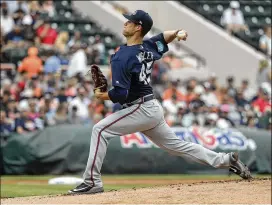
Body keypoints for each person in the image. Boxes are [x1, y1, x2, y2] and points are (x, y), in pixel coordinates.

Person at [69, 10, 252, 195]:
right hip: (151, 108)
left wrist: (102, 96)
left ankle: (92, 181)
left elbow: (121, 94)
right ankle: (226, 160)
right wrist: (177, 32)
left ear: (138, 27)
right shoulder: (147, 47)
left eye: (129, 21)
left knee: (100, 130)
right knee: (178, 146)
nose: (125, 23)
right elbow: (164, 37)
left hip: (139, 108)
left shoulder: (122, 56)